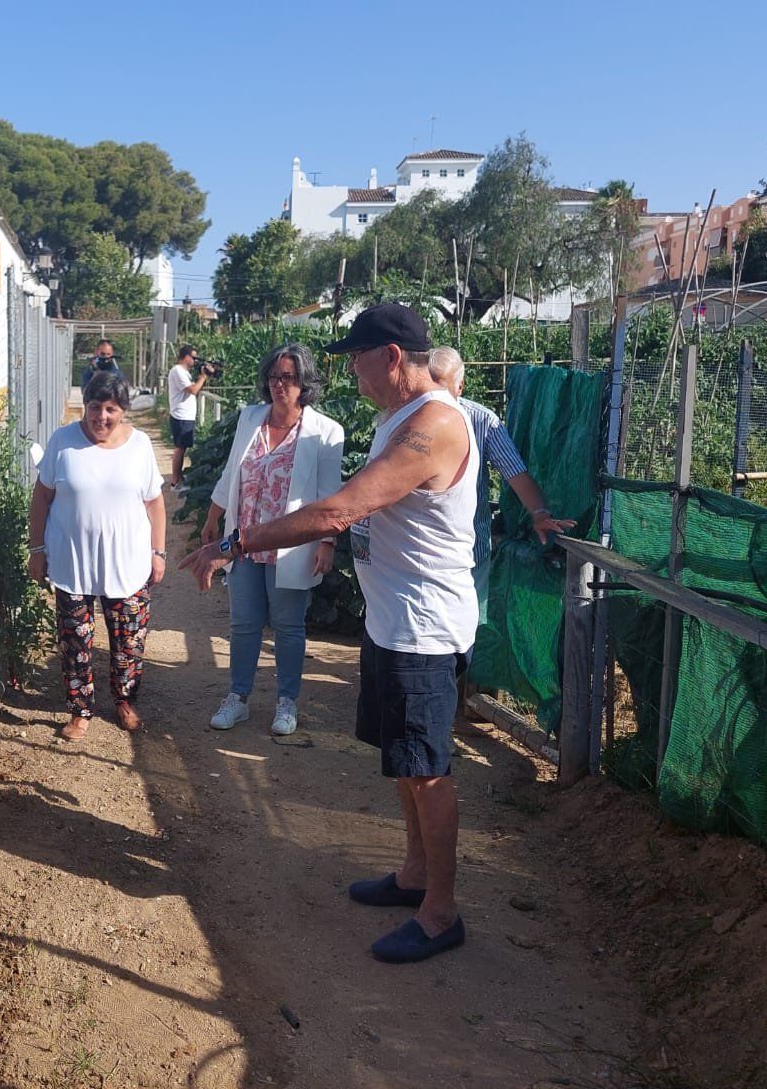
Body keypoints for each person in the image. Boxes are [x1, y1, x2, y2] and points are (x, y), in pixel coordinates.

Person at [180, 302, 476, 964]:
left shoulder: (435, 426)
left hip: (424, 628)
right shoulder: (399, 418)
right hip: (391, 620)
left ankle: (440, 913)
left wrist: (236, 542)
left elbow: (342, 508)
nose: (351, 371)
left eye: (356, 358)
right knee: (405, 763)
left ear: (391, 356)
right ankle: (413, 875)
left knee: (428, 770)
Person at [199, 343, 344, 736]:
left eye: (290, 377)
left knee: (288, 626)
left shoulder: (325, 432)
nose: (280, 384)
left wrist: (327, 544)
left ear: (304, 383)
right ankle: (238, 698)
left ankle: (286, 702)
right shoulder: (251, 418)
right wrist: (213, 518)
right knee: (243, 624)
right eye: (275, 376)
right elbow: (232, 472)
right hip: (242, 543)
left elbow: (330, 493)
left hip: (291, 546)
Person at [29, 371, 166, 741]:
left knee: (129, 640)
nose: (101, 417)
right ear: (84, 407)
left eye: (111, 409)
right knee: (75, 641)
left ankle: (124, 701)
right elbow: (41, 498)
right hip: (72, 561)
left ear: (123, 410)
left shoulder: (139, 445)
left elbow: (155, 502)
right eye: (94, 407)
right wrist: (37, 550)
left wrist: (158, 552)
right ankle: (80, 711)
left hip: (129, 562)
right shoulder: (63, 442)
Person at [427, 347, 575, 623]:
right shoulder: (406, 419)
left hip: (468, 549)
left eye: (442, 390)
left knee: (463, 627)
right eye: (430, 388)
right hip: (421, 548)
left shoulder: (482, 421)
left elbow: (515, 473)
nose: (435, 400)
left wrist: (540, 513)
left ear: (460, 386)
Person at [166, 345, 212, 487]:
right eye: (194, 357)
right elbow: (193, 390)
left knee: (183, 447)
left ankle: (179, 477)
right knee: (180, 448)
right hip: (181, 415)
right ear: (186, 357)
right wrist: (203, 376)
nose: (195, 361)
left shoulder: (184, 373)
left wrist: (204, 376)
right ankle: (175, 482)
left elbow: (195, 388)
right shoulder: (178, 371)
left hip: (185, 415)